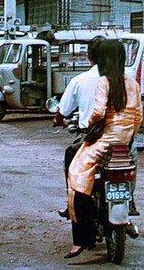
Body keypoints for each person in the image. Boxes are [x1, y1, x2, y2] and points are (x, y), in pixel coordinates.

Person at [65, 39, 143, 259]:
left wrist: (90, 124)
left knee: (78, 177)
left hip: (105, 142)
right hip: (125, 143)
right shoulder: (132, 83)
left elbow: (99, 112)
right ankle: (127, 211)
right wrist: (128, 137)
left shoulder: (104, 82)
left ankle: (81, 239)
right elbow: (138, 116)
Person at [54, 36, 105, 219]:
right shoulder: (125, 79)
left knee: (71, 158)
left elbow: (63, 111)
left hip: (90, 136)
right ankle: (129, 199)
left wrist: (59, 119)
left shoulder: (80, 80)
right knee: (129, 162)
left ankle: (73, 202)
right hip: (121, 136)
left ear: (89, 56)